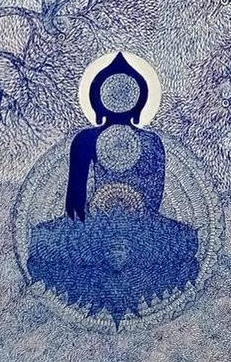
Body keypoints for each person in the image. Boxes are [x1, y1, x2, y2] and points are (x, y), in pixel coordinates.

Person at [26, 53, 199, 325]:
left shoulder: (149, 141)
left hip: (137, 227)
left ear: (138, 102)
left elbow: (152, 201)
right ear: (99, 99)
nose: (119, 102)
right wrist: (101, 220)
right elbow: (75, 205)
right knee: (40, 240)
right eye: (113, 95)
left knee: (186, 241)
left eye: (125, 96)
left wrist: (130, 218)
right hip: (99, 226)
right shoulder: (86, 139)